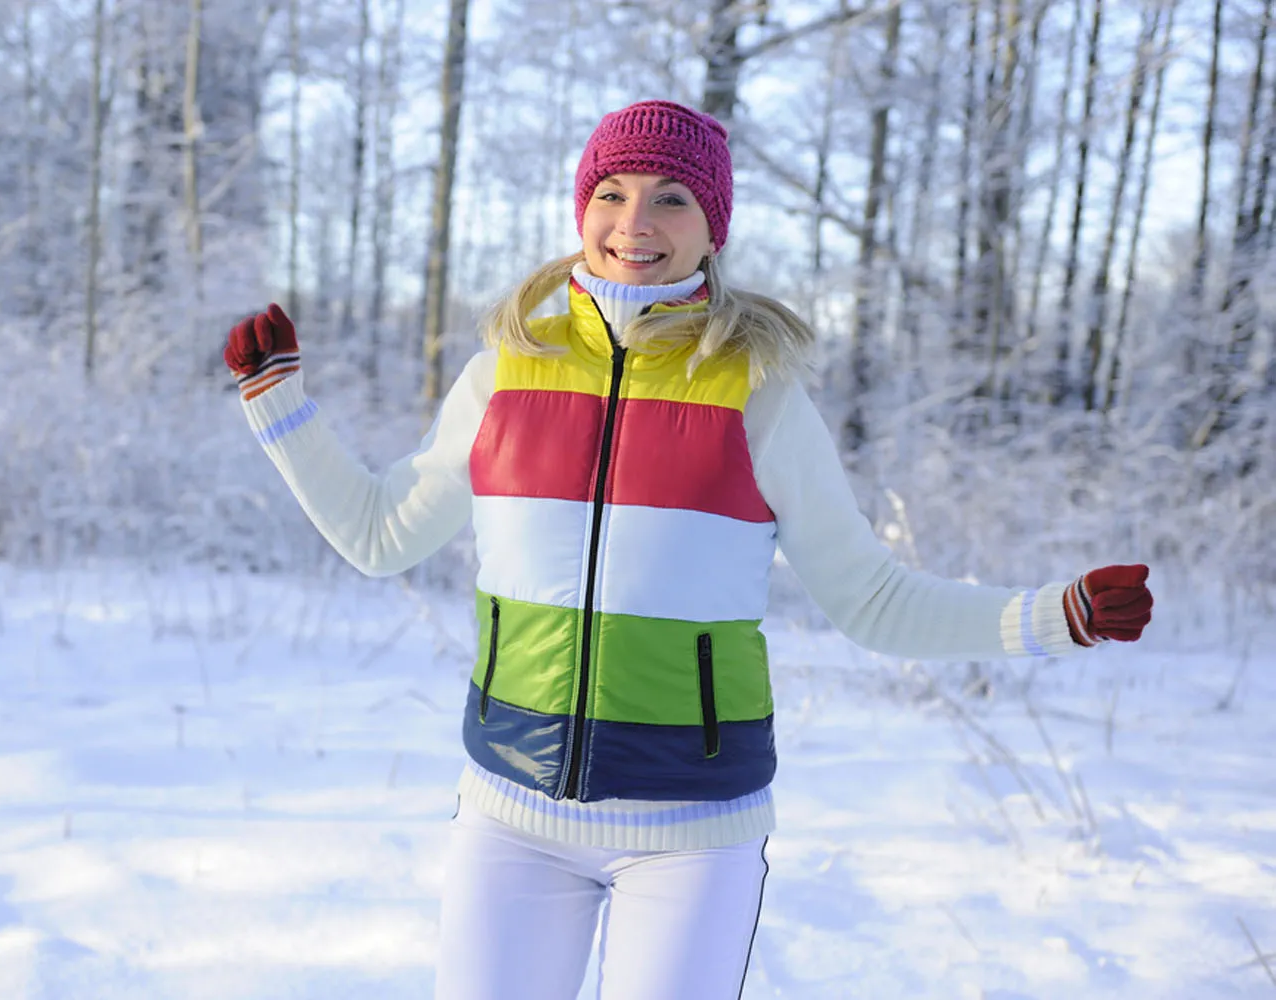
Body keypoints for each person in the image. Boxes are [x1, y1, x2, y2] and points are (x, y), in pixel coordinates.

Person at [223, 100, 1154, 1000]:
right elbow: (383, 535)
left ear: (714, 227)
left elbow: (872, 599)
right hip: (509, 814)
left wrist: (1052, 618)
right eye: (613, 192)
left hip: (693, 828)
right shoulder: (503, 375)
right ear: (582, 209)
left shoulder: (760, 393)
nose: (636, 220)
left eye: (672, 196)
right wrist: (283, 409)